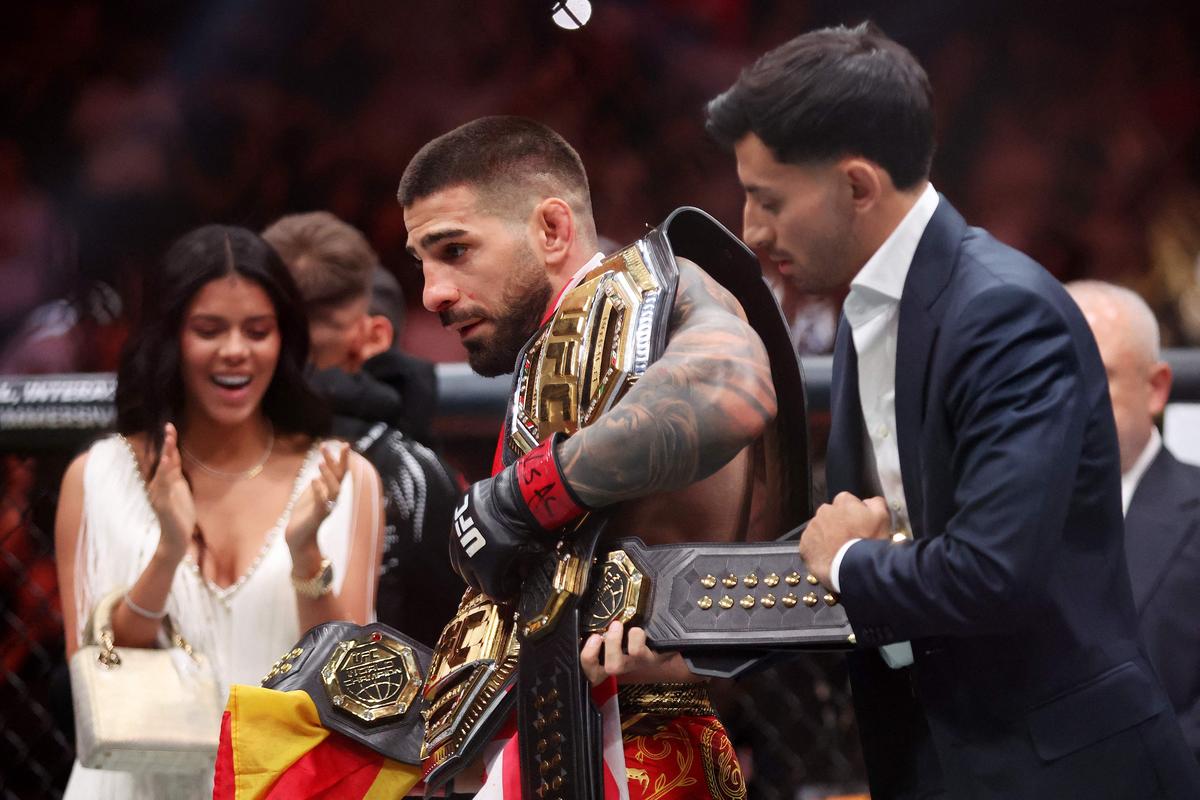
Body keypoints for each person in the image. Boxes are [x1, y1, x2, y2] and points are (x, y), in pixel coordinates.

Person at [705, 22, 1200, 798]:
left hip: (1060, 772)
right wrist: (691, 645)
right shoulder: (871, 310)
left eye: (768, 199)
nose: (751, 229)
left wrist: (845, 560)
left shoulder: (1004, 313)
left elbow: (989, 573)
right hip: (938, 757)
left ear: (858, 187)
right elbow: (853, 550)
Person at [399, 115, 781, 797]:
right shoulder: (555, 350)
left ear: (551, 229)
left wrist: (532, 491)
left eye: (453, 250)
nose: (433, 293)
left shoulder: (658, 295)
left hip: (636, 744)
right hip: (548, 724)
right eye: (422, 262)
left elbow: (734, 388)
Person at [53, 224, 385, 798]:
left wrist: (305, 556)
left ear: (284, 340)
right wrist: (169, 553)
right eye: (209, 330)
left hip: (282, 786)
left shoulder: (345, 477)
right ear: (170, 338)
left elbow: (349, 681)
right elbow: (95, 666)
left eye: (257, 331)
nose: (235, 350)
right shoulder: (97, 477)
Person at [262, 210, 463, 647]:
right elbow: (446, 647)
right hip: (367, 705)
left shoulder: (204, 449)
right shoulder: (412, 473)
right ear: (369, 335)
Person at [1066, 280, 1200, 762]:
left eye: (1096, 374)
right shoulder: (981, 517)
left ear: (1156, 388)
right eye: (1048, 374)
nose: (1069, 398)